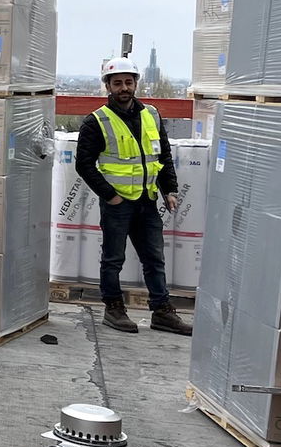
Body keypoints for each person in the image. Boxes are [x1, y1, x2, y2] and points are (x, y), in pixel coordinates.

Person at [75, 56, 193, 336]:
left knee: (154, 258)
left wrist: (170, 190)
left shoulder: (151, 115)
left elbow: (162, 155)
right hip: (118, 204)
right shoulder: (97, 122)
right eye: (117, 83)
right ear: (108, 86)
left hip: (147, 201)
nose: (124, 88)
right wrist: (110, 195)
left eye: (129, 82)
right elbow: (84, 164)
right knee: (113, 259)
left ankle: (162, 312)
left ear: (136, 83)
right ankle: (114, 309)